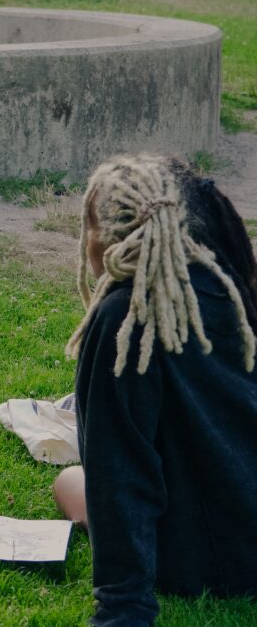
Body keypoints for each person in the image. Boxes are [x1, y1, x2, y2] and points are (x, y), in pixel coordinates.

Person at [53, 154, 257, 626]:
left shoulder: (124, 316)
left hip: (204, 559)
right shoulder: (233, 286)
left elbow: (120, 475)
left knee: (70, 482)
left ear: (105, 237)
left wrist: (123, 606)